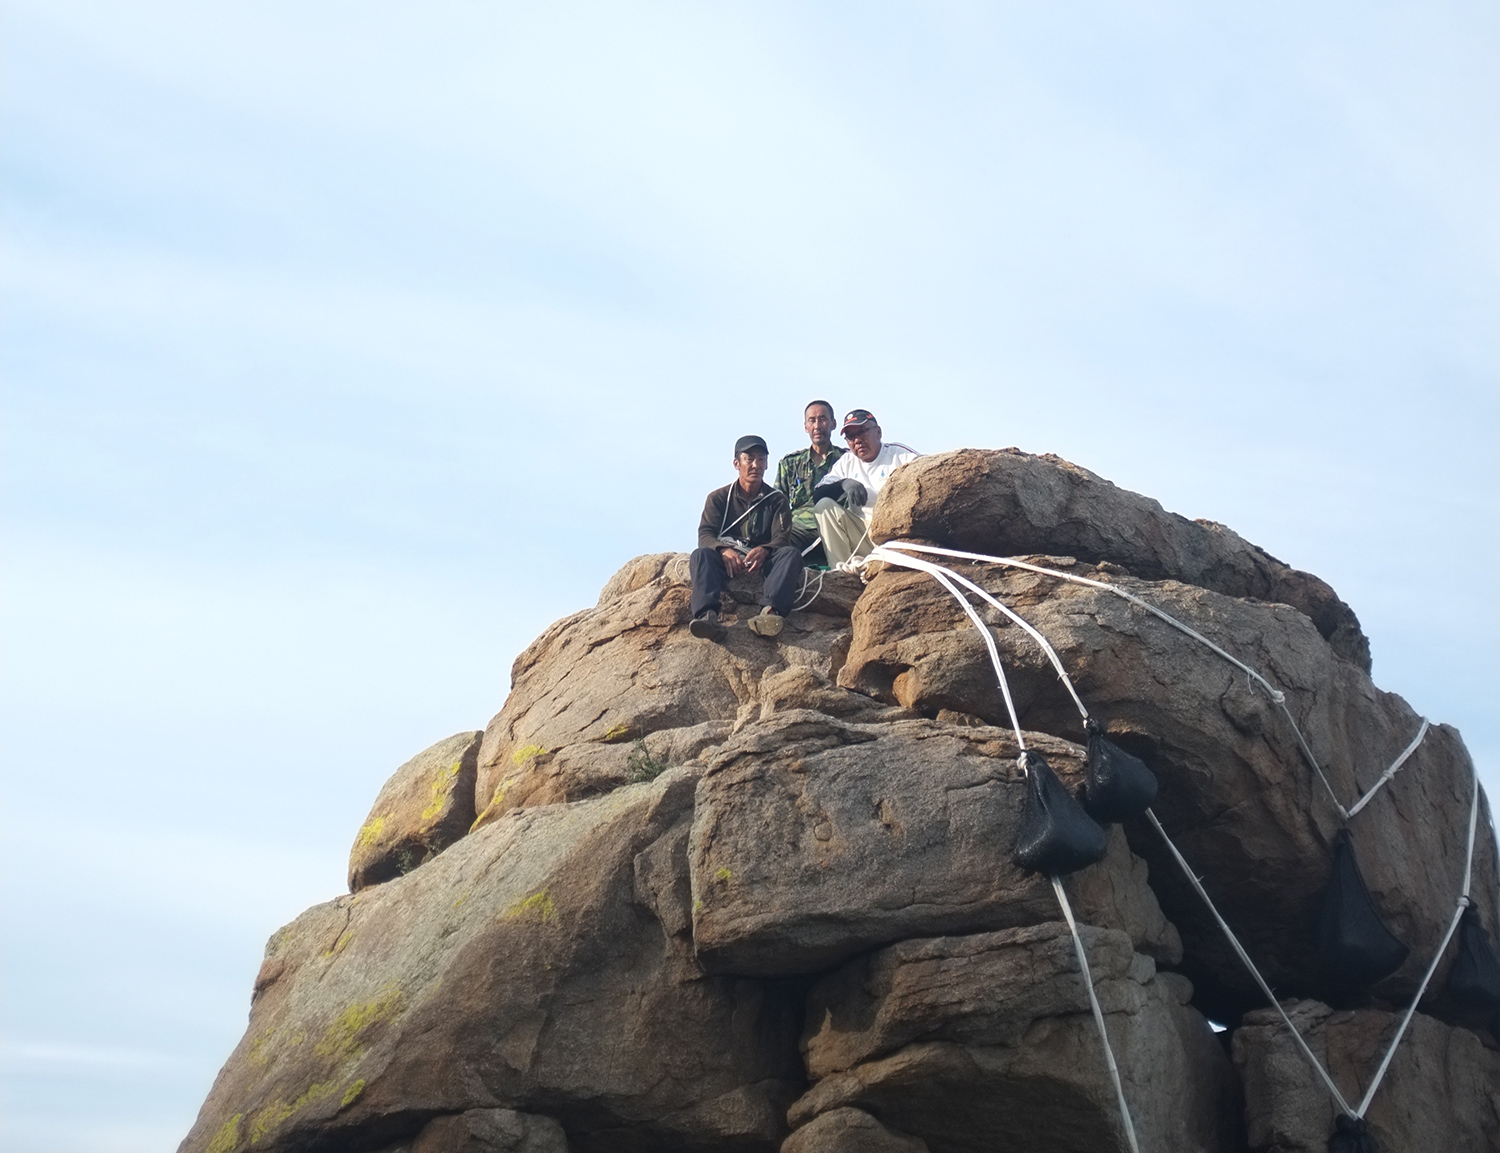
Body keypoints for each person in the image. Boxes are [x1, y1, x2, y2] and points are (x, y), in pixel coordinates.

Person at [689, 434, 805, 642]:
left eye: (761, 459)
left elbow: (782, 537)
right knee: (701, 555)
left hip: (761, 560)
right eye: (749, 459)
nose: (755, 465)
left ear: (767, 464)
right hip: (727, 557)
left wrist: (766, 549)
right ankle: (707, 616)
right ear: (736, 463)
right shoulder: (718, 498)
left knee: (790, 554)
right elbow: (705, 533)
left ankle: (770, 614)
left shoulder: (777, 500)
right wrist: (722, 550)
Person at [811, 409, 919, 566]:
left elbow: (928, 472)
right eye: (851, 437)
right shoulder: (847, 462)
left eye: (862, 432)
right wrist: (843, 484)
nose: (857, 440)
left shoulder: (899, 455)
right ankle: (840, 571)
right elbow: (818, 495)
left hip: (896, 535)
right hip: (863, 535)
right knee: (824, 506)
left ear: (878, 432)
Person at [774, 400, 845, 557]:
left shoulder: (847, 460)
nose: (817, 426)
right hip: (799, 530)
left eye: (823, 419)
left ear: (833, 423)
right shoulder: (790, 463)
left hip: (836, 527)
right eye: (812, 420)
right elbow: (777, 506)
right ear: (806, 426)